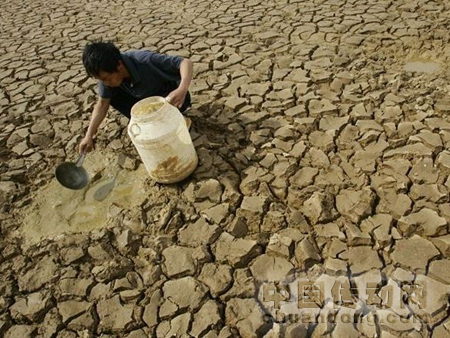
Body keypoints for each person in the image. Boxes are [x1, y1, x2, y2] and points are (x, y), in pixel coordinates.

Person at [78, 41, 193, 154]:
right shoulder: (107, 77)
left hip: (172, 100)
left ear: (119, 65)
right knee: (110, 97)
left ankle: (177, 121)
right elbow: (102, 104)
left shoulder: (144, 60)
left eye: (107, 78)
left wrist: (182, 89)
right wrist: (88, 136)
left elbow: (185, 62)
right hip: (143, 99)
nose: (106, 83)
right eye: (102, 80)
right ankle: (147, 125)